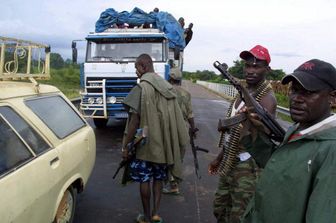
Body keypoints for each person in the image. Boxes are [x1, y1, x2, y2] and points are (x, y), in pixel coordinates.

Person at [242, 59, 336, 223]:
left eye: (308, 92)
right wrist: (255, 130)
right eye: (294, 90)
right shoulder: (298, 128)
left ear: (333, 98)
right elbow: (279, 163)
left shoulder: (331, 148)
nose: (296, 99)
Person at [208, 45, 277, 223]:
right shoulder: (242, 93)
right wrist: (219, 158)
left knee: (239, 215)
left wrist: (254, 121)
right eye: (248, 65)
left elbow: (266, 133)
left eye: (257, 66)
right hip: (230, 160)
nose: (251, 70)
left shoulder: (266, 98)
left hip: (248, 166)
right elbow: (234, 134)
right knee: (220, 207)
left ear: (267, 69)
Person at [122, 54, 189, 223]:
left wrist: (126, 146)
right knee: (158, 178)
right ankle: (155, 214)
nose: (136, 72)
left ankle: (145, 216)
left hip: (144, 145)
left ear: (144, 66)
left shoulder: (141, 88)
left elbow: (134, 120)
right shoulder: (168, 88)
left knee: (144, 179)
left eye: (137, 68)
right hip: (163, 143)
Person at [162, 67, 197, 195]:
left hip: (168, 127)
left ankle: (168, 183)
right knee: (178, 157)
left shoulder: (165, 91)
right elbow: (190, 114)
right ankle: (174, 183)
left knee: (167, 155)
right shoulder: (186, 94)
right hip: (183, 128)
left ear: (170, 78)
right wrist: (193, 129)